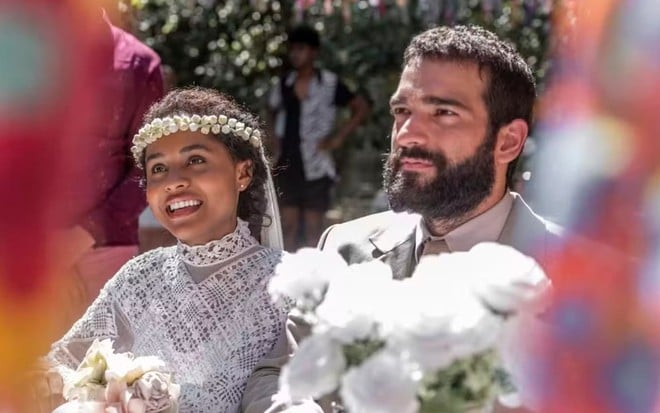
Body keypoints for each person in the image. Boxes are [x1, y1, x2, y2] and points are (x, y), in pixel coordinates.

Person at [245, 25, 557, 413]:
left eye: (443, 112)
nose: (407, 134)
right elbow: (275, 377)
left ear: (507, 141)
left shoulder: (581, 277)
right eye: (402, 111)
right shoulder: (345, 248)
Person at [42, 87, 306, 412]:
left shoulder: (292, 282)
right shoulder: (139, 278)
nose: (173, 182)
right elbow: (64, 364)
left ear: (243, 173)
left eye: (195, 160)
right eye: (158, 169)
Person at [64, 10, 164, 315]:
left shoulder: (140, 65)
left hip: (105, 249)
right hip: (32, 252)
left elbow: (149, 167)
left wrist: (80, 237)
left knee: (101, 359)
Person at [268, 24, 369, 251]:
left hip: (317, 163)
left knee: (315, 229)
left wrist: (338, 137)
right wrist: (273, 139)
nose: (295, 54)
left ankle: (314, 279)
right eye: (293, 49)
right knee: (288, 225)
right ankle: (284, 276)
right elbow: (271, 110)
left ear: (313, 52)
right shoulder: (284, 83)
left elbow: (360, 107)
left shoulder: (330, 83)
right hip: (287, 162)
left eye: (301, 49)